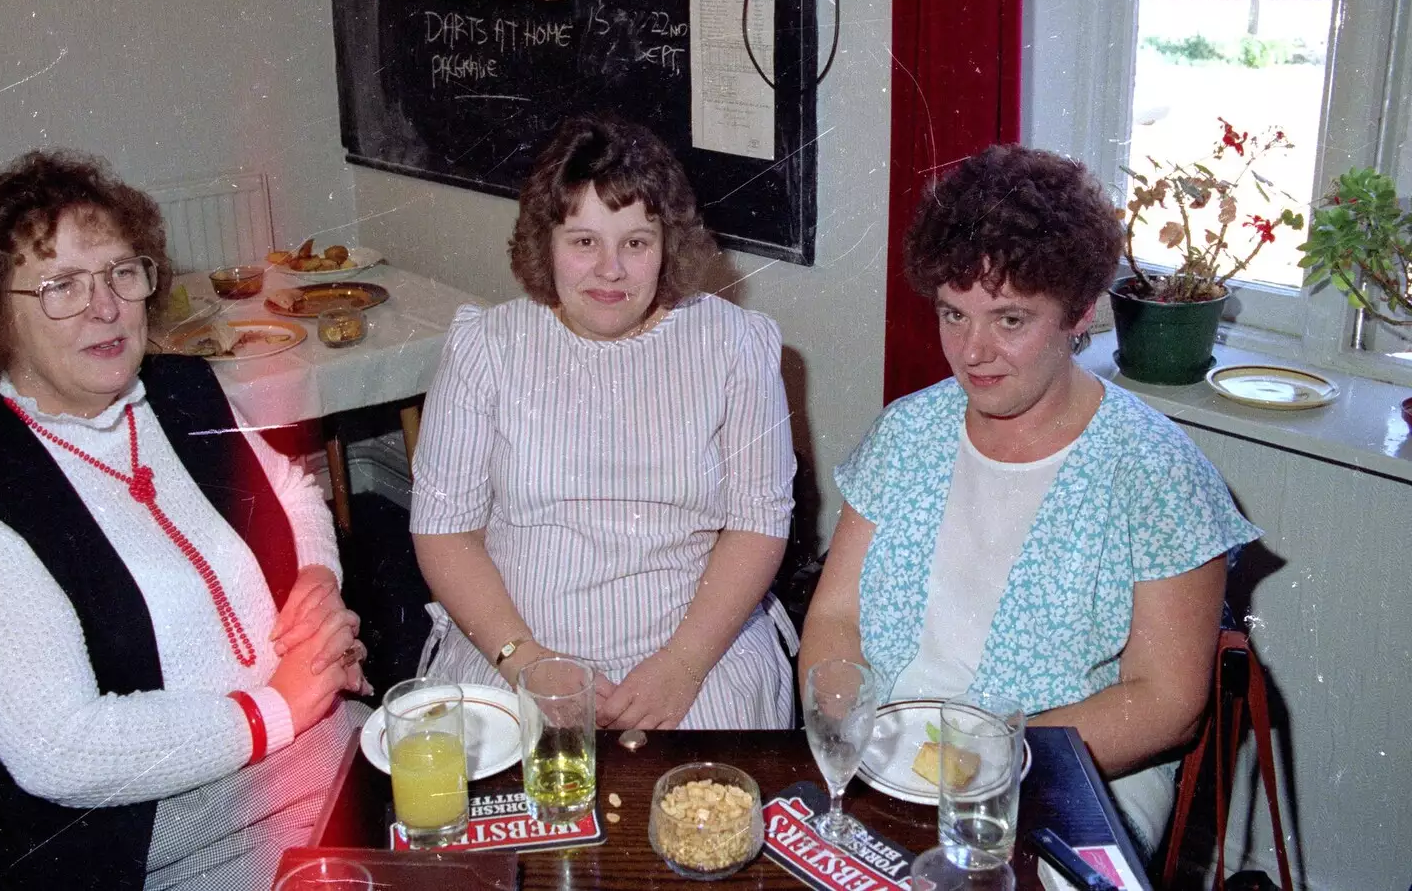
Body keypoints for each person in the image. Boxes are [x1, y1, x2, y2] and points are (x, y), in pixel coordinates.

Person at [0, 150, 370, 890]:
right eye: (60, 286)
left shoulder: (183, 391)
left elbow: (292, 489)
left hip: (314, 740)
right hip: (157, 835)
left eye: (122, 271)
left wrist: (317, 576)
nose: (106, 305)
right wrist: (274, 710)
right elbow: (61, 749)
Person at [799, 145, 1259, 850]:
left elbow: (1166, 705)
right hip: (886, 763)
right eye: (954, 314)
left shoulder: (1157, 473)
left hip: (1067, 774)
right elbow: (833, 616)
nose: (972, 352)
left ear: (1080, 315)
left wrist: (984, 758)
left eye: (1010, 320)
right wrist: (847, 739)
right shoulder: (908, 431)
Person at [410, 113, 797, 730]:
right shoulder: (484, 346)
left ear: (669, 244)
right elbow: (442, 530)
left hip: (697, 651)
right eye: (583, 241)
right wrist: (527, 662)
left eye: (636, 243)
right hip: (511, 645)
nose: (610, 269)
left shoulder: (738, 347)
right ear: (547, 243)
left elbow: (758, 523)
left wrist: (682, 667)